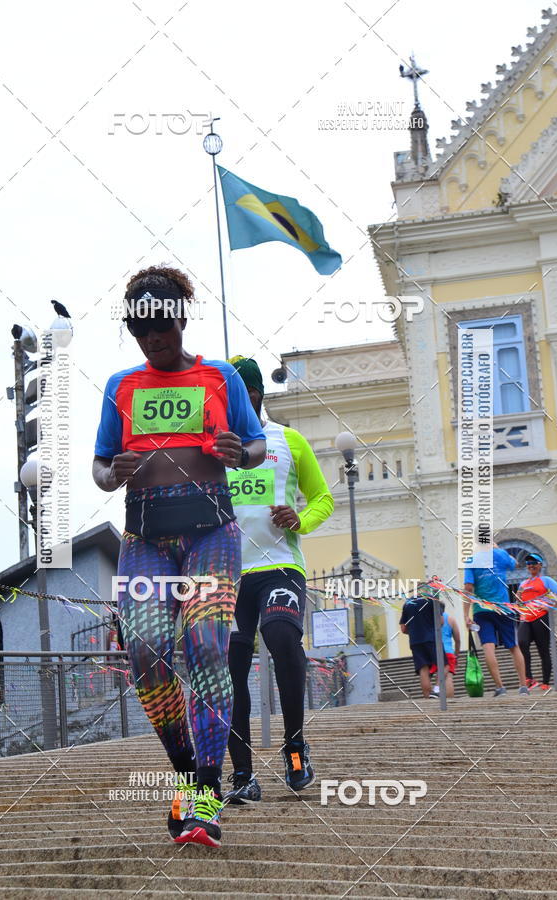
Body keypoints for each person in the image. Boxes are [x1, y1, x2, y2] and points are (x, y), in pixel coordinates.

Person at [92, 266, 266, 847]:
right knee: (145, 651)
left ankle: (206, 797)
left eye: (160, 326)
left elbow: (255, 445)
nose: (152, 339)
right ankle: (189, 774)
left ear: (181, 319)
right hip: (145, 538)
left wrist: (240, 453)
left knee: (208, 645)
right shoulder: (121, 386)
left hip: (210, 532)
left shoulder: (220, 377)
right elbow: (100, 466)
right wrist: (111, 474)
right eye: (139, 330)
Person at [223, 357, 334, 803]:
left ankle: (295, 748)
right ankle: (242, 775)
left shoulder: (289, 440)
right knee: (229, 669)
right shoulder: (210, 446)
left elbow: (323, 497)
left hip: (280, 566)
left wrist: (300, 518)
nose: (235, 403)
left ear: (257, 395)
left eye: (243, 394)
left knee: (282, 638)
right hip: (227, 575)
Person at [463, 542, 528, 696]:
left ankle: (500, 687)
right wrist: (498, 548)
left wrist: (465, 614)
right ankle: (523, 686)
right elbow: (516, 564)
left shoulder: (471, 560)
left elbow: (468, 588)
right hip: (503, 608)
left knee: (488, 646)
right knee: (514, 646)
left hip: (482, 610)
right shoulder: (501, 554)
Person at [517, 552, 557, 691]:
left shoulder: (546, 580)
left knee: (543, 649)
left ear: (540, 565)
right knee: (522, 642)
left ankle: (545, 682)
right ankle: (529, 678)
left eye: (533, 563)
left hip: (541, 618)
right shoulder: (523, 583)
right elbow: (519, 601)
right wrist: (519, 604)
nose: (530, 565)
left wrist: (551, 605)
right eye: (528, 563)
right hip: (526, 618)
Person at [399, 584, 447, 700]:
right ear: (427, 590)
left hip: (415, 641)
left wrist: (414, 631)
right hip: (432, 638)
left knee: (423, 669)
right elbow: (440, 622)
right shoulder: (432, 600)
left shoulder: (407, 603)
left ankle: (427, 699)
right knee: (444, 665)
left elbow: (403, 628)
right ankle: (436, 690)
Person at [431, 609, 461, 698]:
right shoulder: (451, 619)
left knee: (439, 675)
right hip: (448, 651)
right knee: (448, 677)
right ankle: (450, 700)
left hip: (435, 650)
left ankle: (436, 692)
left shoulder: (430, 618)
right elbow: (458, 640)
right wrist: (456, 655)